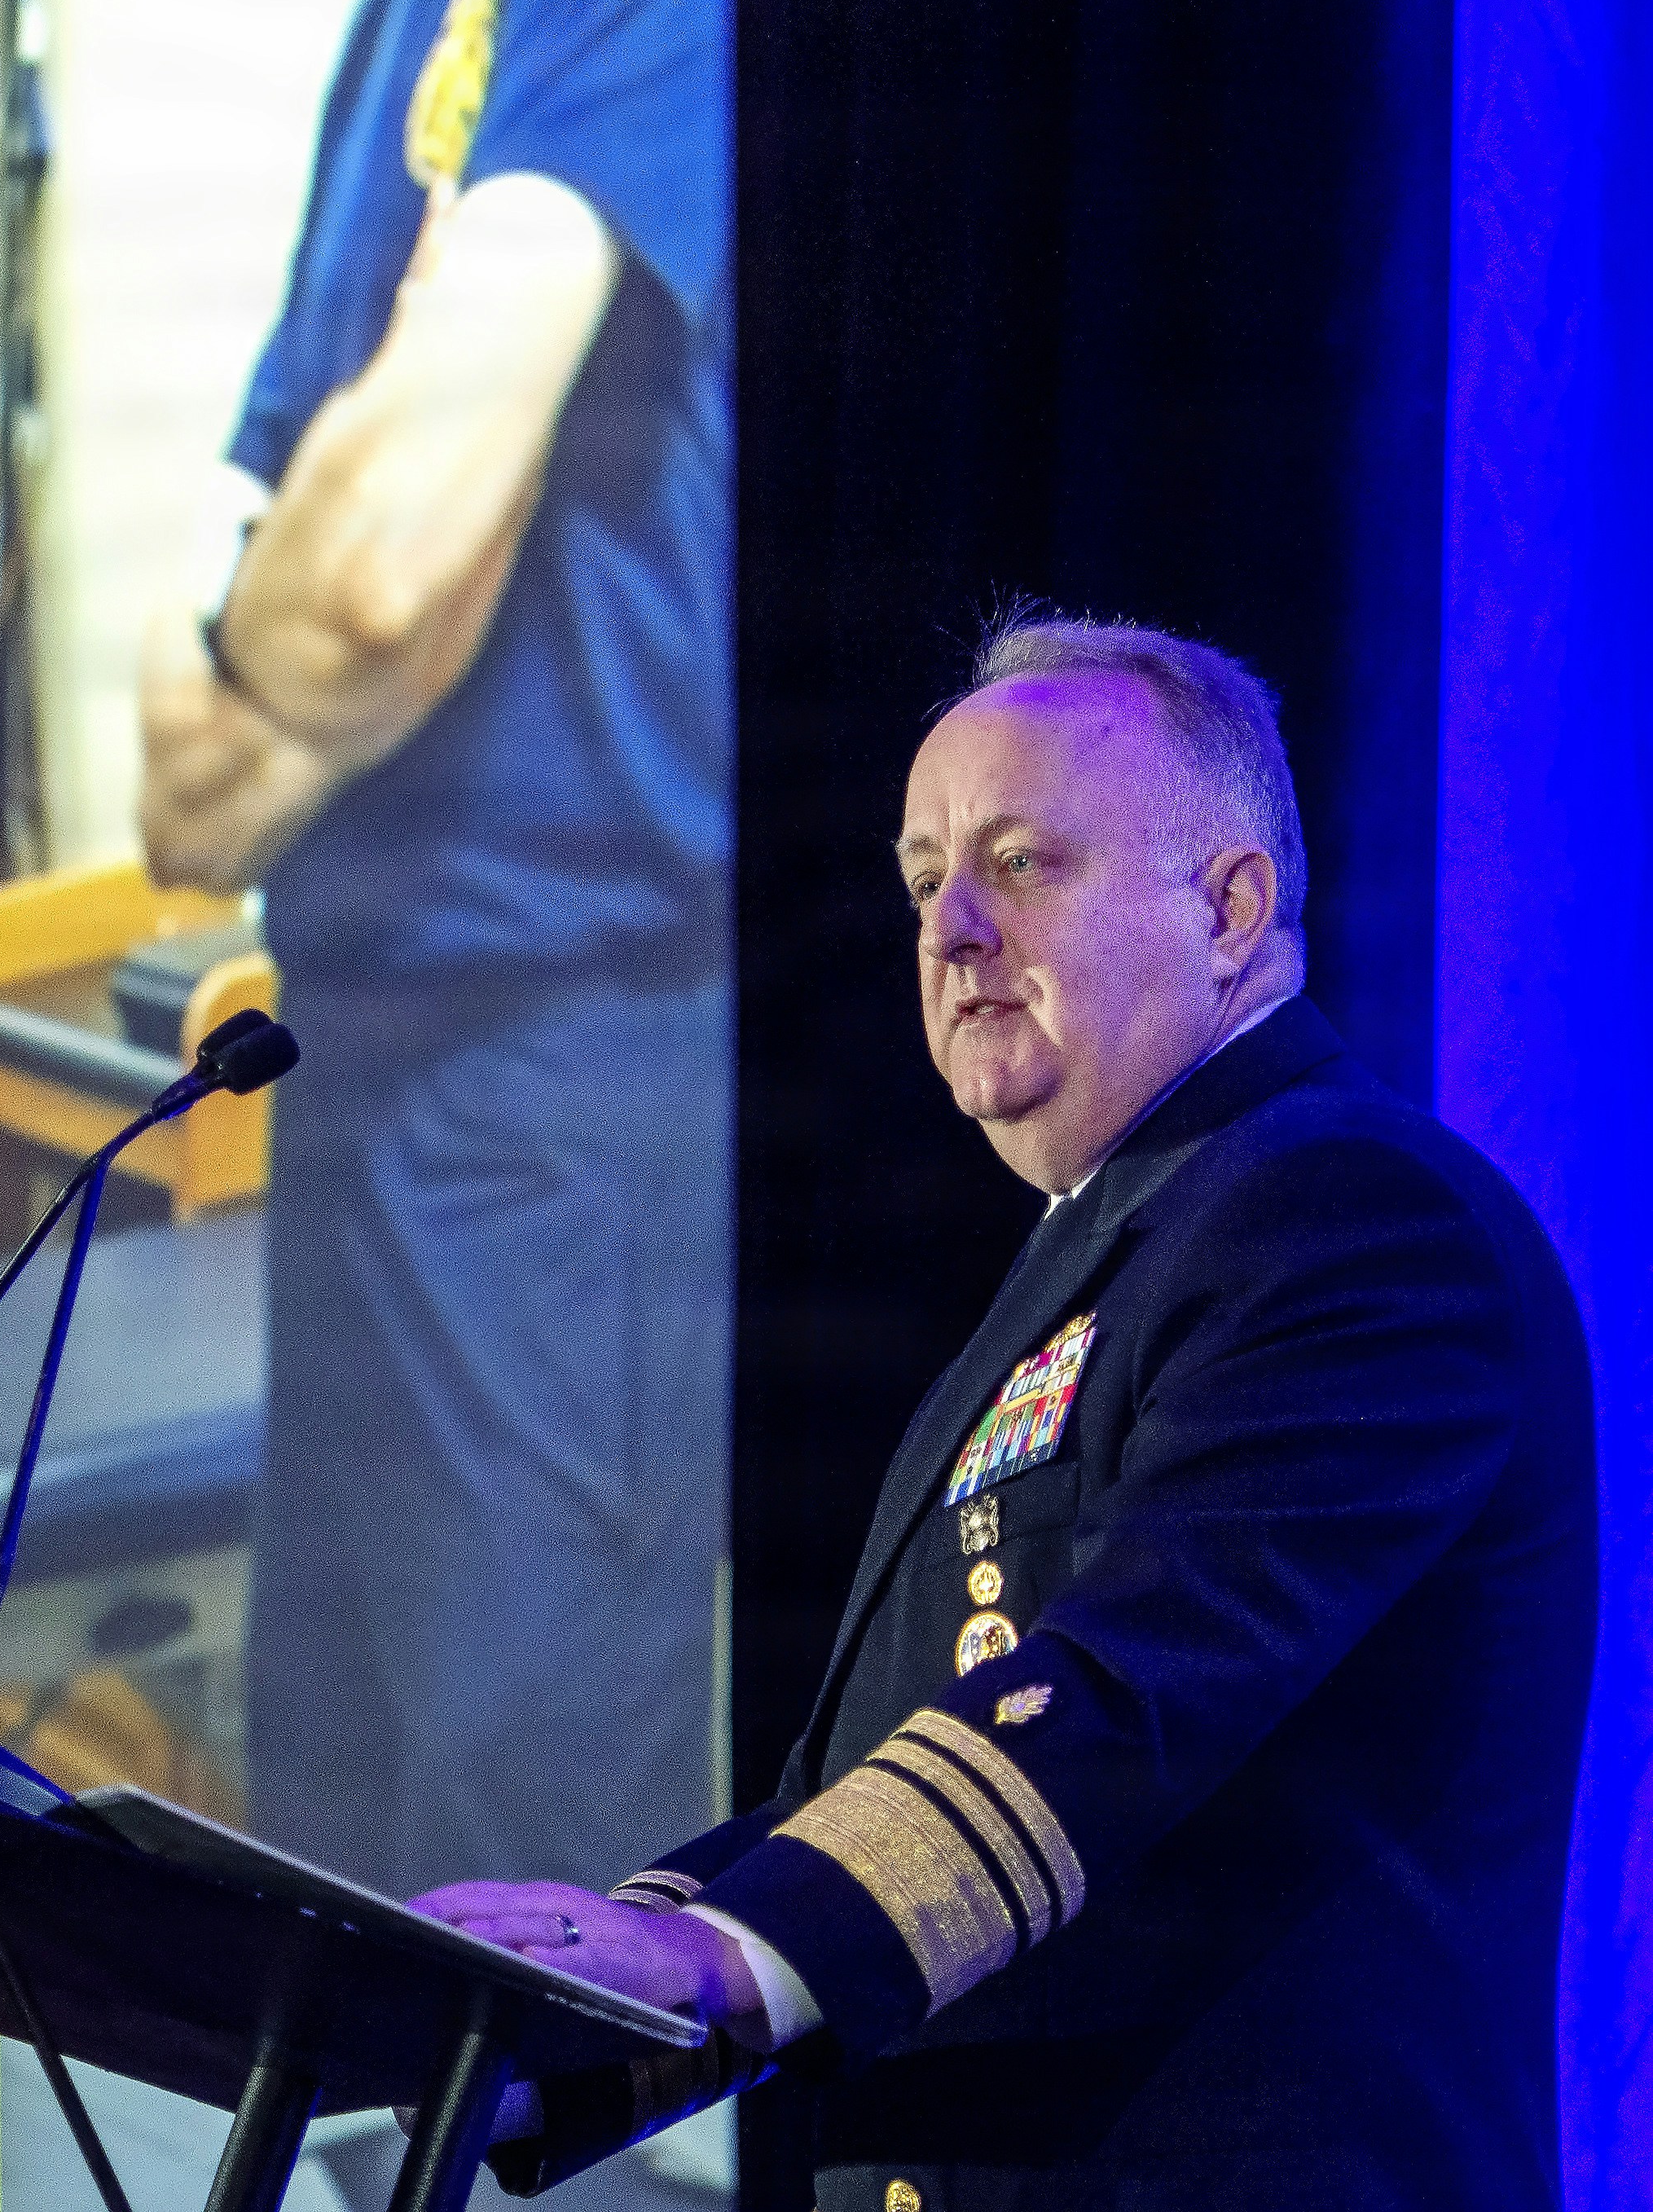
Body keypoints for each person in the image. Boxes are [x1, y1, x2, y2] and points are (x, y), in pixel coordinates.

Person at [418, 620, 1593, 2210]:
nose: (951, 931)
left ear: (1230, 905)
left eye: (1022, 862)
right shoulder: (1118, 1241)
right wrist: (569, 1991)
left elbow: (1123, 1697)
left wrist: (712, 1957)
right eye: (922, 881)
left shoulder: (1350, 1217)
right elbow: (899, 1754)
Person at [134, 0, 730, 2004]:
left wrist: (320, 606)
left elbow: (373, 555)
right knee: (339, 1931)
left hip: (564, 1098)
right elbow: (186, 758)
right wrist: (330, 609)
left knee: (533, 1973)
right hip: (362, 1077)